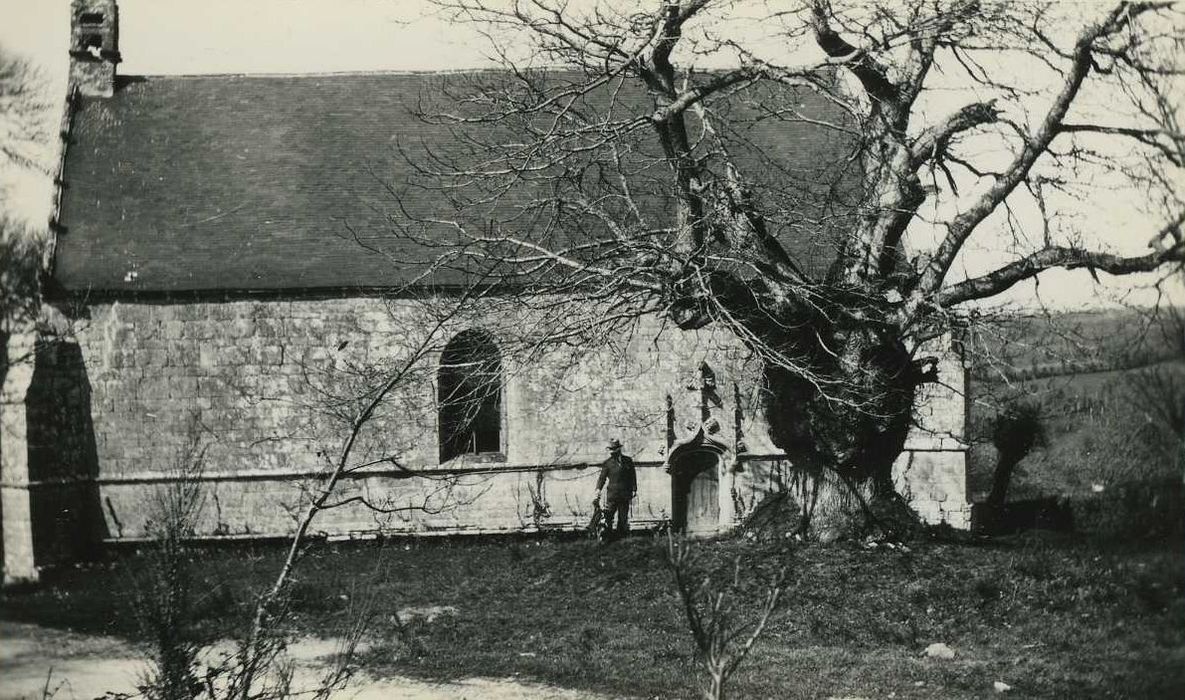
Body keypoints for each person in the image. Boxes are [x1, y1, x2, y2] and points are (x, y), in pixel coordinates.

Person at [593, 438, 636, 541]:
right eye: (610, 450)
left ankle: (620, 539)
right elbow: (602, 478)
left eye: (614, 450)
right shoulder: (607, 463)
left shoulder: (628, 461)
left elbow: (632, 476)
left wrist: (634, 489)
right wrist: (598, 489)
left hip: (625, 494)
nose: (612, 452)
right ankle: (608, 538)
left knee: (622, 517)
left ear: (619, 449)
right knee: (608, 516)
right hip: (612, 495)